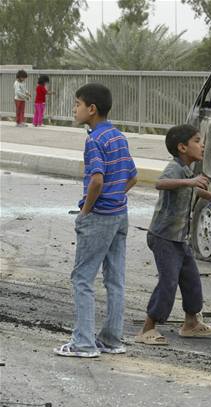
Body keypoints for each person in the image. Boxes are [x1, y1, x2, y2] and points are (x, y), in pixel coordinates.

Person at [55, 83, 138, 358]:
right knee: (114, 279)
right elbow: (132, 176)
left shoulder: (94, 140)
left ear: (91, 109)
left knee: (82, 279)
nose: (74, 109)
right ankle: (112, 340)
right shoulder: (118, 137)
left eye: (77, 104)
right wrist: (116, 196)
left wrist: (86, 211)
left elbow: (97, 180)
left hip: (99, 216)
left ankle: (83, 343)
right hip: (119, 214)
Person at [136, 124, 211, 346]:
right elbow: (160, 183)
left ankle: (191, 324)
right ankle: (148, 328)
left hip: (179, 238)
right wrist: (190, 181)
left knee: (192, 281)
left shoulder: (187, 170)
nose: (202, 144)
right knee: (168, 282)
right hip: (164, 237)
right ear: (182, 147)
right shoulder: (176, 169)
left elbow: (193, 189)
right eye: (197, 140)